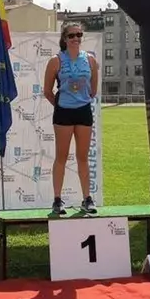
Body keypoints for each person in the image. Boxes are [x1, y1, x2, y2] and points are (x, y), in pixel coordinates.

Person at [43, 24, 99, 215]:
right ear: (65, 38)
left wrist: (79, 101)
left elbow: (93, 90)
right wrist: (61, 106)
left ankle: (87, 199)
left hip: (83, 111)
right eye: (72, 35)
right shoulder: (56, 60)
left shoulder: (90, 60)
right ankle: (57, 200)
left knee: (83, 157)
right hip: (63, 112)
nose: (76, 38)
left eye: (79, 34)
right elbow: (47, 91)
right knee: (62, 156)